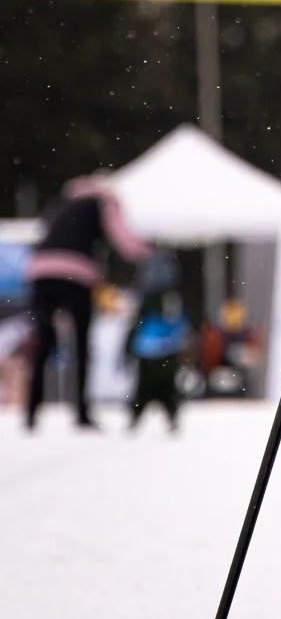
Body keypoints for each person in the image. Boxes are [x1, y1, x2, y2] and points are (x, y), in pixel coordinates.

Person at [25, 176, 151, 431]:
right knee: (81, 345)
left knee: (45, 343)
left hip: (40, 269)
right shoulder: (104, 201)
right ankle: (81, 413)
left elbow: (43, 231)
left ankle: (31, 412)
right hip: (76, 273)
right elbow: (124, 240)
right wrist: (148, 251)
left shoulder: (62, 203)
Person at [126, 252, 191, 432]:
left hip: (154, 349)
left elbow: (136, 324)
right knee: (163, 390)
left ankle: (139, 418)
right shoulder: (167, 297)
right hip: (161, 349)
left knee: (153, 389)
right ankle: (145, 418)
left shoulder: (157, 297)